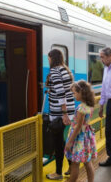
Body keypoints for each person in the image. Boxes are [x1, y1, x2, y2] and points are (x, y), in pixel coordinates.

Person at [46, 49, 75, 180]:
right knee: (66, 141)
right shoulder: (65, 70)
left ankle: (58, 173)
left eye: (49, 58)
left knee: (58, 144)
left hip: (59, 114)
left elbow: (60, 93)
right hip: (70, 112)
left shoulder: (54, 71)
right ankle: (71, 167)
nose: (48, 60)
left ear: (52, 58)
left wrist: (63, 114)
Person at [65, 80, 97, 182]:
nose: (73, 95)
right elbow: (85, 123)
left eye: (74, 93)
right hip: (86, 137)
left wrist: (70, 141)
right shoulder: (89, 105)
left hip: (79, 139)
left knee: (75, 163)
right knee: (88, 162)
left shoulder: (81, 108)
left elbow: (78, 127)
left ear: (81, 93)